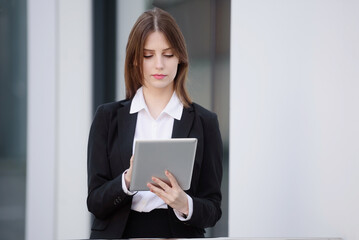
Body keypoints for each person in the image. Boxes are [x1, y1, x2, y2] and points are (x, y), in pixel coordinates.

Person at [87, 7, 223, 239]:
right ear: (135, 61)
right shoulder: (107, 118)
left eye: (168, 55)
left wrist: (185, 204)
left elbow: (212, 209)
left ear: (180, 58)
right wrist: (127, 180)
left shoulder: (205, 122)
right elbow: (95, 202)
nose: (159, 65)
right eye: (148, 55)